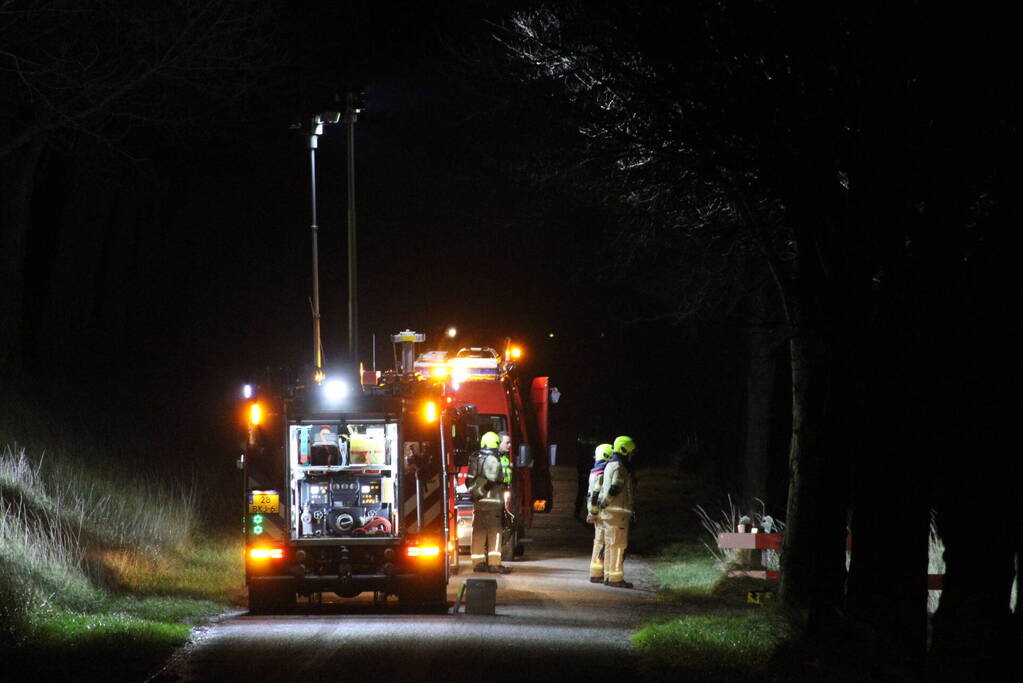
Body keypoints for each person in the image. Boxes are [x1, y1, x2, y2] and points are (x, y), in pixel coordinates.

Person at [469, 431, 513, 574]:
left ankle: (478, 563)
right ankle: (494, 564)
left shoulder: (476, 458)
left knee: (478, 534)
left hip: (479, 503)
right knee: (495, 533)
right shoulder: (493, 459)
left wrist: (477, 493)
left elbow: (470, 480)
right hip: (493, 504)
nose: (509, 445)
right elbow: (494, 478)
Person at [599, 435, 637, 588]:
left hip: (609, 514)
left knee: (609, 545)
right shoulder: (620, 468)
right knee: (618, 545)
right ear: (623, 450)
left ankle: (608, 576)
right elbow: (615, 487)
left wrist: (603, 505)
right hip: (618, 513)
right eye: (630, 452)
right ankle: (615, 579)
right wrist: (606, 502)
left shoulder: (609, 465)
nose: (631, 455)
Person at [587, 443, 613, 583]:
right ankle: (600, 573)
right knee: (603, 543)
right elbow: (596, 494)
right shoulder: (602, 473)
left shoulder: (594, 471)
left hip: (595, 512)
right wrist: (594, 512)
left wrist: (591, 511)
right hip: (601, 513)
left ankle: (596, 572)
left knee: (598, 542)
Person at [574, 426, 602, 521]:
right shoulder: (594, 438)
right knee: (587, 492)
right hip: (589, 467)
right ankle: (584, 513)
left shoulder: (582, 438)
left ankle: (579, 513)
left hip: (586, 468)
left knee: (582, 492)